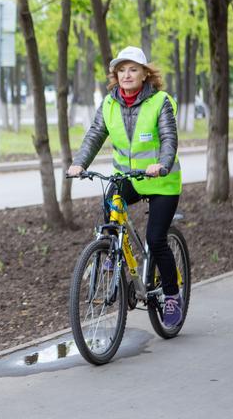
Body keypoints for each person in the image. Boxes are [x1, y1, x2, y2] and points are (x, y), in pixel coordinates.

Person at [67, 45, 183, 327]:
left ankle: (171, 295)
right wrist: (79, 163)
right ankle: (111, 251)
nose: (127, 75)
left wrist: (163, 164)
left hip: (161, 181)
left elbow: (169, 138)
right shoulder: (109, 103)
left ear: (145, 74)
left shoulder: (160, 102)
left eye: (133, 69)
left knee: (156, 239)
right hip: (129, 178)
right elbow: (95, 135)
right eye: (121, 70)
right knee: (110, 202)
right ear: (115, 75)